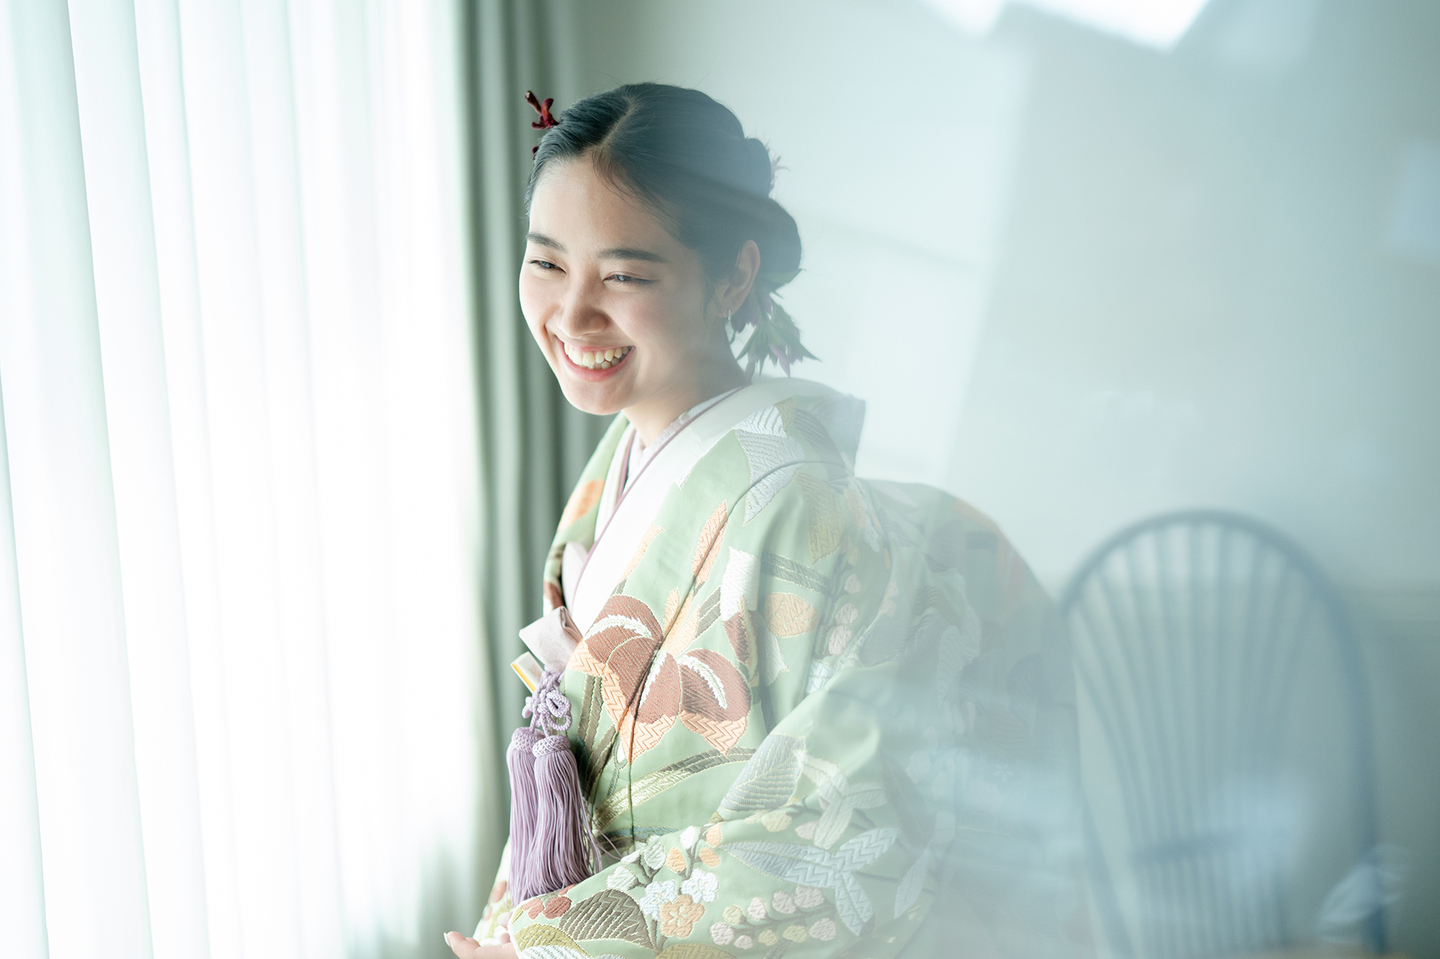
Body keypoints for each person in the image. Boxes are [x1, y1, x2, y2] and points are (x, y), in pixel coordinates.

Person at [445, 83, 1086, 959]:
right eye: (547, 262)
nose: (572, 313)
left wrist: (558, 942)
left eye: (625, 274)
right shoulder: (615, 475)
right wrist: (516, 929)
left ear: (734, 276)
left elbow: (839, 835)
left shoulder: (807, 514)